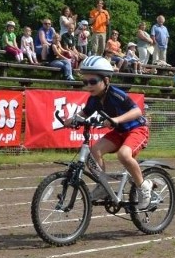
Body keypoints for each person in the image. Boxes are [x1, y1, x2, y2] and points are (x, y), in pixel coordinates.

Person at [63, 56, 152, 209]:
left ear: (106, 80)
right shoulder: (94, 98)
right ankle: (103, 185)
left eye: (92, 82)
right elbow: (85, 113)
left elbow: (137, 111)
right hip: (119, 132)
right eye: (85, 82)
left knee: (124, 155)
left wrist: (116, 119)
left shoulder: (116, 94)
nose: (88, 86)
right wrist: (72, 120)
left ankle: (144, 187)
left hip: (137, 129)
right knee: (94, 151)